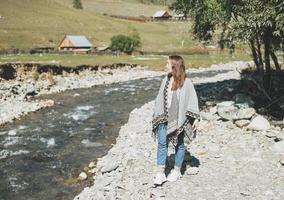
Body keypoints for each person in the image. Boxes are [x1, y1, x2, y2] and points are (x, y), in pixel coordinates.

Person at [152, 55, 200, 185]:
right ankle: (160, 173)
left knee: (179, 145)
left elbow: (192, 100)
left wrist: (195, 117)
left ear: (175, 66)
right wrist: (156, 115)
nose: (165, 66)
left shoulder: (187, 82)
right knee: (162, 143)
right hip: (163, 118)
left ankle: (177, 170)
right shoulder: (165, 81)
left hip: (180, 119)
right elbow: (159, 100)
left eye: (167, 64)